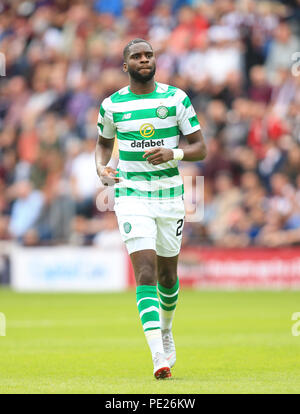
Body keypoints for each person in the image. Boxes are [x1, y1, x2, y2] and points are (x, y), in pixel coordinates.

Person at [95, 38, 207, 379]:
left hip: (170, 195)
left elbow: (200, 147)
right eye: (136, 56)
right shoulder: (112, 105)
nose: (144, 60)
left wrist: (173, 154)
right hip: (131, 195)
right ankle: (158, 356)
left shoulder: (176, 99)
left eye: (148, 55)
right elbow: (102, 145)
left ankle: (167, 328)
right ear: (125, 65)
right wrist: (101, 168)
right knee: (144, 272)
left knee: (167, 276)